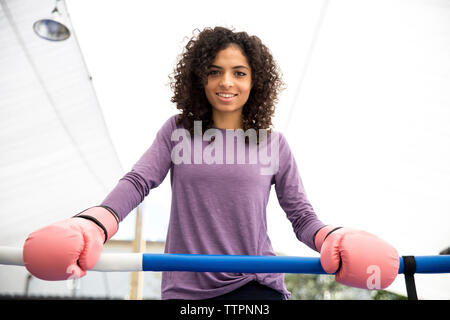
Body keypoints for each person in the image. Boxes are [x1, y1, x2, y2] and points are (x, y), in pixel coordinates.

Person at [22, 26, 399, 300]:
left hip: (256, 287)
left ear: (255, 82)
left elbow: (300, 216)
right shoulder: (178, 131)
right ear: (199, 78)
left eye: (239, 72)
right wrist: (92, 224)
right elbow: (139, 182)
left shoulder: (273, 143)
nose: (226, 82)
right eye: (215, 71)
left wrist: (335, 236)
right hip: (185, 290)